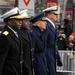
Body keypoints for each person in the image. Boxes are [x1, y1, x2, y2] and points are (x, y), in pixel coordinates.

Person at [9, 9, 34, 75]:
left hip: (27, 68)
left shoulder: (27, 33)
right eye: (26, 21)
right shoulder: (17, 34)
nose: (28, 23)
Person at [0, 7, 24, 75]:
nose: (21, 22)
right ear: (10, 22)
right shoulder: (5, 37)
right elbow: (1, 60)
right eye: (18, 20)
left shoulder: (16, 34)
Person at [43, 5, 62, 75]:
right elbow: (44, 42)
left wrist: (58, 57)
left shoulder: (52, 25)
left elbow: (54, 44)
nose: (57, 16)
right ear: (49, 15)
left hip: (52, 55)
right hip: (47, 55)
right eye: (55, 14)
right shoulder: (47, 25)